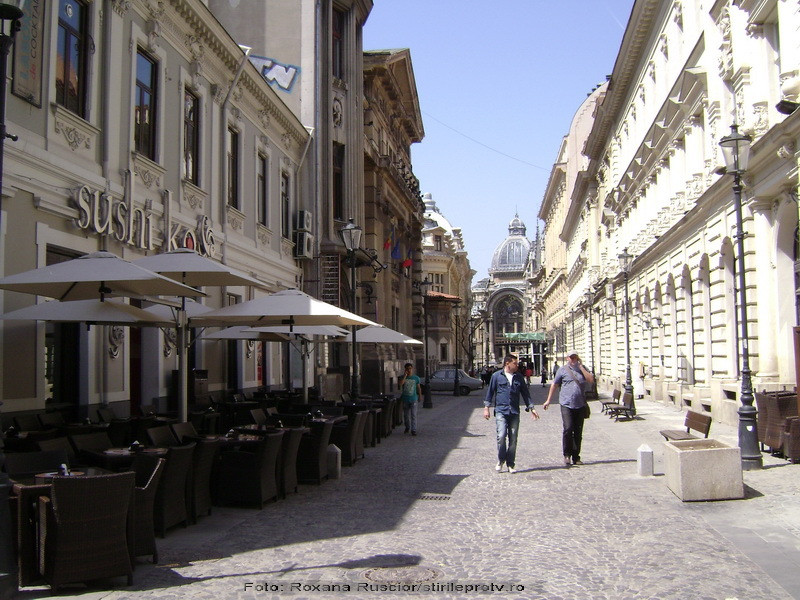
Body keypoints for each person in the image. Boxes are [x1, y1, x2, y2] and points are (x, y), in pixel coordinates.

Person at [483, 354, 538, 473]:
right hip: (501, 411)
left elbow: (525, 393)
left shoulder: (519, 377)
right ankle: (501, 459)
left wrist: (532, 408)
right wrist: (486, 408)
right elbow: (490, 392)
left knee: (513, 439)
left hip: (514, 411)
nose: (517, 365)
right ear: (507, 363)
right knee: (501, 436)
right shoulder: (497, 376)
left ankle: (510, 463)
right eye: (515, 363)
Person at [543, 350, 595, 467]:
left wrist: (581, 367)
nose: (573, 360)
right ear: (567, 358)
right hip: (566, 404)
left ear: (578, 358)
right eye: (571, 358)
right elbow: (554, 384)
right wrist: (548, 400)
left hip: (580, 404)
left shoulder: (583, 369)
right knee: (568, 428)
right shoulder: (562, 370)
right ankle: (567, 455)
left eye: (575, 357)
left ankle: (576, 457)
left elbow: (591, 380)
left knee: (578, 431)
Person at [398, 363, 421, 436]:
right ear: (405, 369)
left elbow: (418, 388)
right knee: (406, 415)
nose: (409, 370)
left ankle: (413, 430)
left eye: (410, 368)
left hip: (413, 398)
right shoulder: (402, 377)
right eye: (407, 369)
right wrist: (405, 376)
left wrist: (420, 396)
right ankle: (407, 427)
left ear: (412, 369)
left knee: (413, 415)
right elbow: (400, 384)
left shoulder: (416, 378)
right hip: (405, 399)